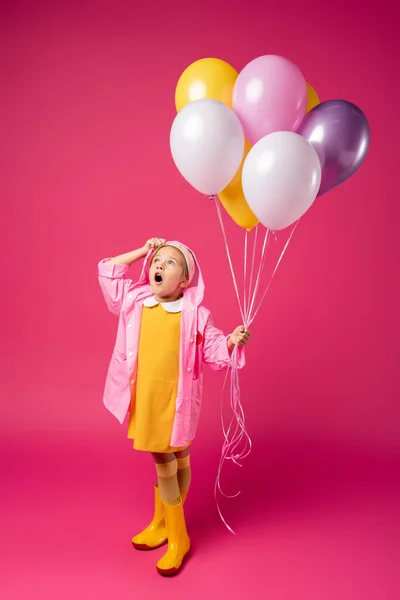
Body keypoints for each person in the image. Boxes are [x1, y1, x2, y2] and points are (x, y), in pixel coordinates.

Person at [98, 237, 251, 576]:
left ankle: (178, 536)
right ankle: (163, 524)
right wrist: (141, 250)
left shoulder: (195, 314)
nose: (159, 266)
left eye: (170, 264)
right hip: (147, 396)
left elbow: (213, 351)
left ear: (185, 281)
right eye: (157, 261)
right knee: (177, 456)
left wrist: (230, 340)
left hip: (177, 398)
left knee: (165, 456)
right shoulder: (136, 301)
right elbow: (109, 269)